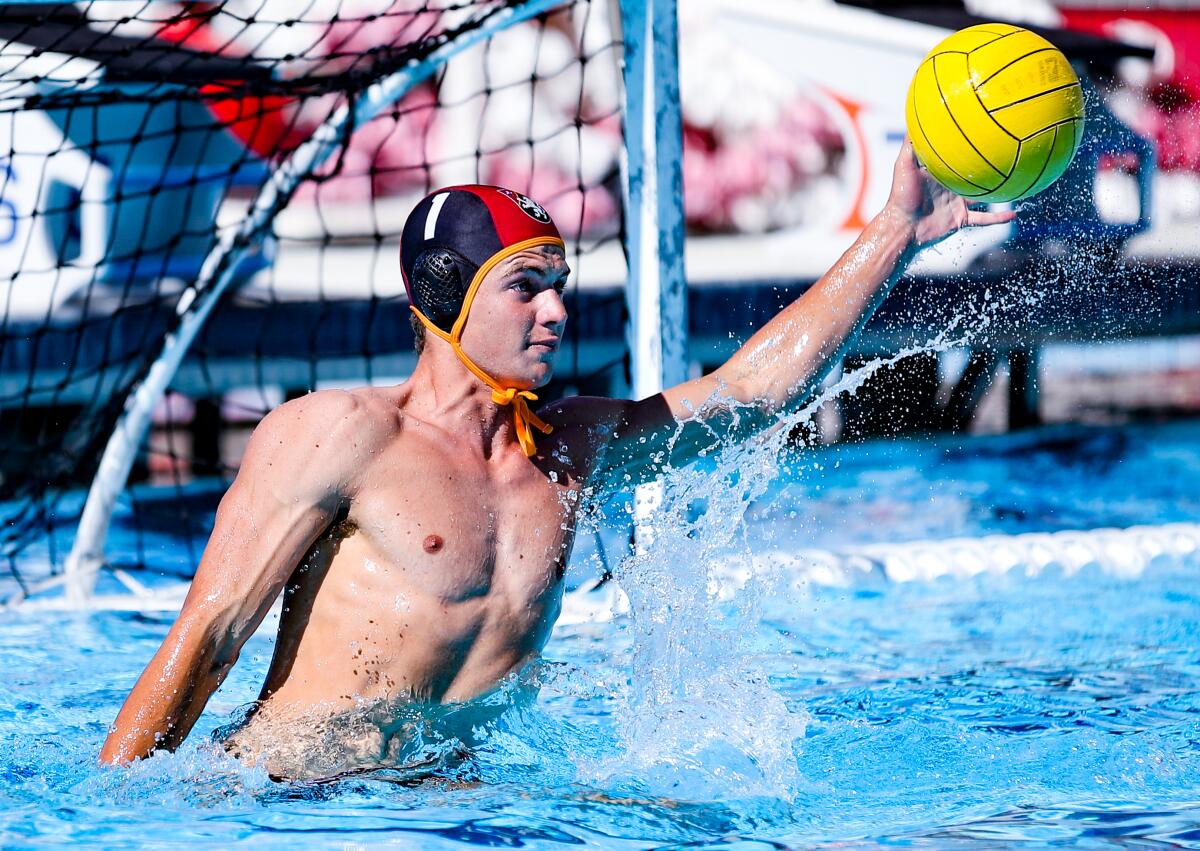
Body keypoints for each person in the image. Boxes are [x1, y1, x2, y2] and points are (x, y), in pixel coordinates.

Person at [99, 141, 1013, 781]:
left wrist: (895, 233)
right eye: (525, 286)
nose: (555, 312)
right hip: (295, 805)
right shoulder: (339, 434)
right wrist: (118, 816)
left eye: (560, 287)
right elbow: (205, 640)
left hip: (453, 803)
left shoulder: (569, 449)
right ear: (448, 295)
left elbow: (751, 394)